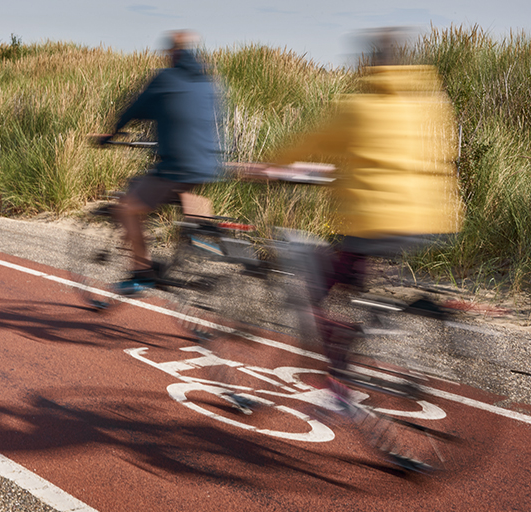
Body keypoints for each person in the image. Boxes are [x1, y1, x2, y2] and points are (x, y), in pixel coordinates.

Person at [263, 30, 465, 403]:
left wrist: (268, 166)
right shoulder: (435, 103)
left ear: (369, 65)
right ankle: (369, 327)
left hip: (374, 222)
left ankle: (338, 376)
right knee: (361, 288)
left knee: (315, 291)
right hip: (433, 220)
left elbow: (311, 142)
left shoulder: (357, 106)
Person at [95, 30, 221, 295]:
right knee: (185, 197)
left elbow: (134, 108)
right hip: (207, 166)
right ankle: (206, 243)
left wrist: (112, 134)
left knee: (128, 207)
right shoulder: (209, 83)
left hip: (176, 167)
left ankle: (141, 273)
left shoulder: (166, 78)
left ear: (172, 54)